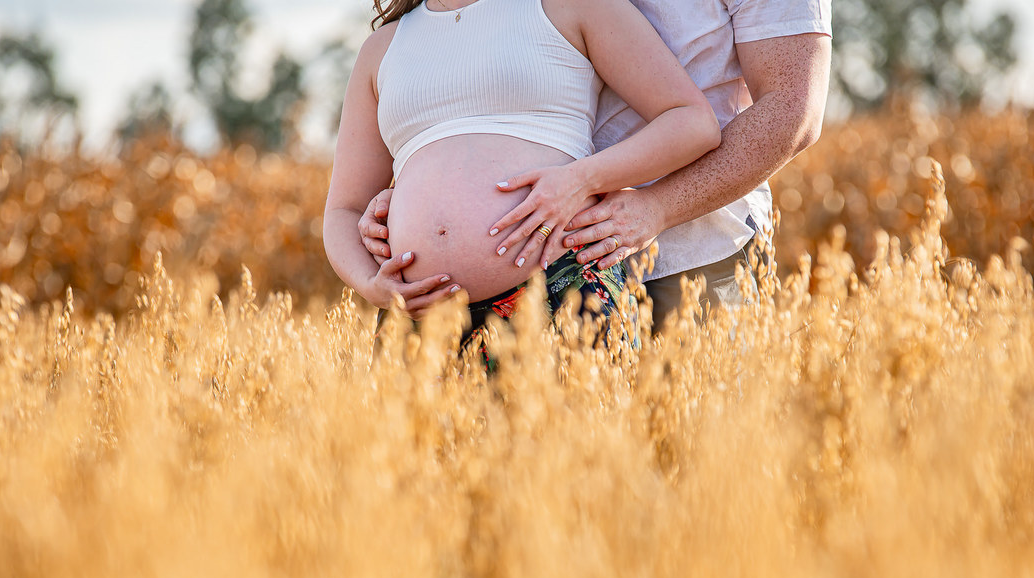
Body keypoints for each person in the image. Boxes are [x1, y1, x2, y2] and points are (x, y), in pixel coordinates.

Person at [358, 0, 833, 333]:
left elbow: (793, 109)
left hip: (693, 251)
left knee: (690, 455)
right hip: (554, 263)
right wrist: (409, 198)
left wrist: (656, 207)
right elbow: (484, 80)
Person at [322, 0, 721, 355]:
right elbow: (344, 208)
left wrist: (582, 180)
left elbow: (691, 122)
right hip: (418, 323)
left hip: (562, 286)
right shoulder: (382, 48)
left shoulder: (571, 6)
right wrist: (370, 285)